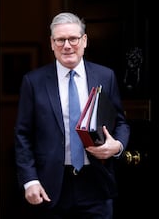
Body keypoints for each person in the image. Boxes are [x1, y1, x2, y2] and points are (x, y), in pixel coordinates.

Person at [14, 12, 130, 218]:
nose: (67, 45)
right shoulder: (33, 82)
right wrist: (30, 180)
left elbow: (120, 122)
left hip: (96, 183)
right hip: (50, 187)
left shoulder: (105, 76)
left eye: (73, 39)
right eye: (60, 40)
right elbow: (23, 134)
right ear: (52, 43)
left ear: (84, 40)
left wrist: (117, 146)